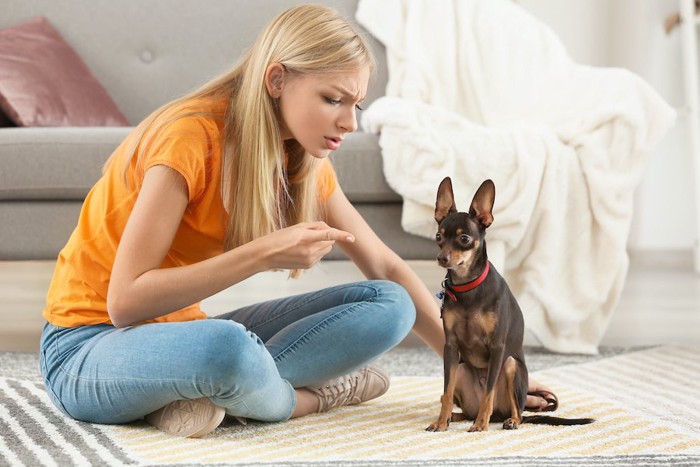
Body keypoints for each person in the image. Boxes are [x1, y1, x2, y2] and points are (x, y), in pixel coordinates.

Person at [40, 4, 557, 439]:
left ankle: (210, 396)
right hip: (87, 347)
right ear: (277, 80)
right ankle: (307, 400)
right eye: (332, 99)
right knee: (226, 348)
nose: (349, 123)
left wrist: (469, 371)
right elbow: (125, 303)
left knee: (392, 304)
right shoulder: (189, 139)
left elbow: (384, 265)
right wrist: (263, 254)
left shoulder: (303, 162)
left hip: (182, 336)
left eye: (355, 104)